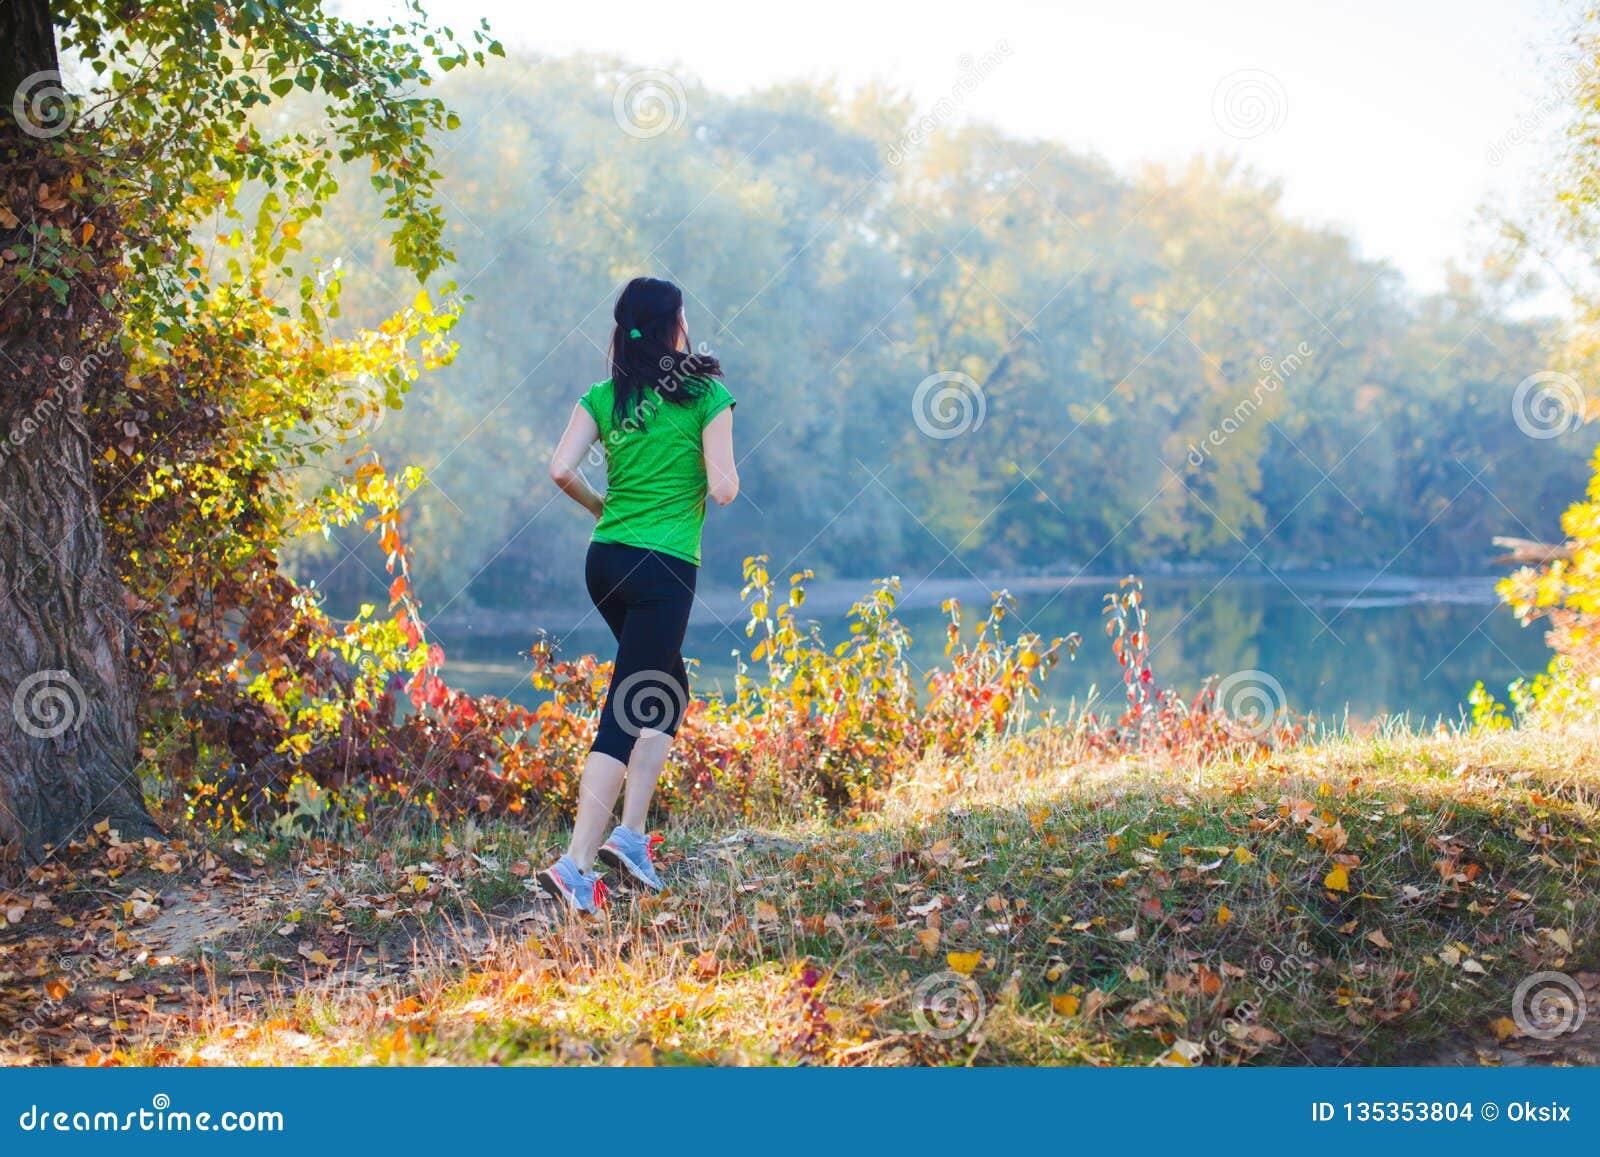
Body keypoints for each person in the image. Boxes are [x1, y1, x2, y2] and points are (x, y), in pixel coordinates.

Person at [537, 276, 738, 913]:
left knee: (666, 688)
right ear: (673, 326)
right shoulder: (707, 394)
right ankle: (575, 866)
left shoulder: (604, 396)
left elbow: (561, 470)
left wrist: (604, 508)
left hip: (607, 562)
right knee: (628, 711)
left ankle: (629, 835)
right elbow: (726, 489)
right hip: (664, 571)